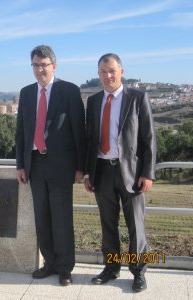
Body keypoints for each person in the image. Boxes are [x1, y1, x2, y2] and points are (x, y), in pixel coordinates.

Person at [84, 53, 156, 293]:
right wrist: (87, 173)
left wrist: (147, 173)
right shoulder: (93, 102)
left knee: (136, 225)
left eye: (112, 70)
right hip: (102, 170)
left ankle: (138, 273)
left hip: (132, 174)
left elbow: (148, 138)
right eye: (103, 72)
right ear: (98, 74)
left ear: (121, 72)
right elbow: (89, 139)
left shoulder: (137, 98)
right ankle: (112, 268)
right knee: (108, 224)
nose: (108, 76)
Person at [15, 45, 86, 286]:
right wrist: (20, 165)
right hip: (34, 164)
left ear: (54, 66)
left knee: (62, 218)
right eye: (35, 65)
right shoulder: (25, 93)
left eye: (43, 65)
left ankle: (65, 268)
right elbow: (21, 133)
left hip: (62, 166)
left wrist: (80, 167)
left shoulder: (69, 91)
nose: (39, 69)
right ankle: (50, 263)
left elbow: (79, 131)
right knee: (42, 218)